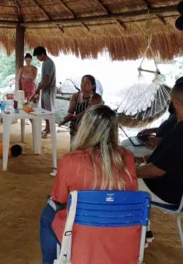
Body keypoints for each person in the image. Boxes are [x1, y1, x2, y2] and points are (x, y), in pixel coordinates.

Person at [40, 105, 138, 264]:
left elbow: (59, 198)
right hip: (122, 235)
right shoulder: (127, 157)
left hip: (84, 236)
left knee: (47, 215)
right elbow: (131, 195)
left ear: (85, 128)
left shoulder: (70, 160)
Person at [136, 81, 183, 206]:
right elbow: (171, 158)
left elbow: (156, 171)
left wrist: (129, 171)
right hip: (182, 190)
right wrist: (141, 160)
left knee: (115, 181)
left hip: (166, 193)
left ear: (176, 103)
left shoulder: (182, 132)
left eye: (170, 100)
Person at [122, 75, 183, 158]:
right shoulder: (180, 107)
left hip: (165, 148)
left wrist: (161, 141)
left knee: (125, 148)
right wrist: (153, 130)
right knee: (126, 144)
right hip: (163, 144)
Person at [59, 75, 102, 149]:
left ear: (93, 86)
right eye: (82, 82)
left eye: (87, 83)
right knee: (73, 147)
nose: (83, 85)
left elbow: (87, 113)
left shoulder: (96, 98)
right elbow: (71, 111)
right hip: (75, 125)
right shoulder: (75, 96)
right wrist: (68, 116)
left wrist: (70, 118)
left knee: (85, 149)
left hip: (89, 125)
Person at [30, 46, 56, 138]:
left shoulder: (48, 63)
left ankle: (50, 129)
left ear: (43, 54)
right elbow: (44, 80)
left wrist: (37, 90)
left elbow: (47, 80)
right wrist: (39, 89)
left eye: (38, 56)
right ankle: (47, 127)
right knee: (45, 110)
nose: (38, 58)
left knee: (48, 111)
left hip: (48, 90)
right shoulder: (45, 63)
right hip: (45, 89)